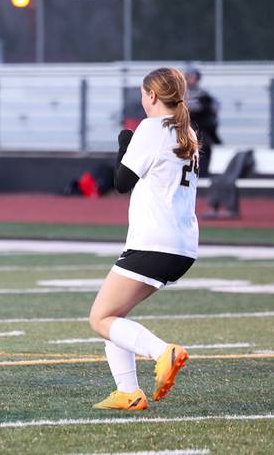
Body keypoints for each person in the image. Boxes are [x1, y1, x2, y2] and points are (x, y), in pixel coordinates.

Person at [88, 67, 199, 410]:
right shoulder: (187, 133)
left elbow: (121, 182)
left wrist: (124, 143)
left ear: (151, 96)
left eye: (142, 94)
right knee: (115, 317)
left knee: (100, 318)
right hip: (181, 245)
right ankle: (128, 393)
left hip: (154, 241)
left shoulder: (152, 129)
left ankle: (162, 352)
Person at [185, 68, 221, 177]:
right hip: (186, 130)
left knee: (204, 148)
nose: (193, 80)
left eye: (194, 77)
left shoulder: (203, 94)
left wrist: (205, 107)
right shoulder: (181, 93)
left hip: (201, 129)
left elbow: (215, 106)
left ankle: (203, 175)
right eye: (190, 77)